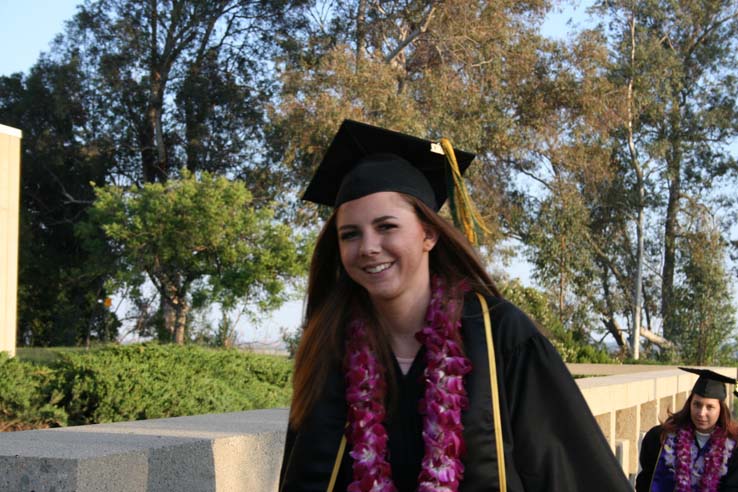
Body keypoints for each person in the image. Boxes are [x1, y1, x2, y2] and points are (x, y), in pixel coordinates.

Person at [279, 119, 632, 492]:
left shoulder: (500, 335)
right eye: (350, 234)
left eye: (386, 227)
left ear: (428, 234)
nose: (367, 247)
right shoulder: (329, 347)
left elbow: (567, 465)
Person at [636, 368, 738, 492]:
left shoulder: (734, 448)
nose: (701, 413)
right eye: (697, 404)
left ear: (720, 410)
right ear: (689, 404)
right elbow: (644, 482)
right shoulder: (660, 438)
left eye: (710, 407)